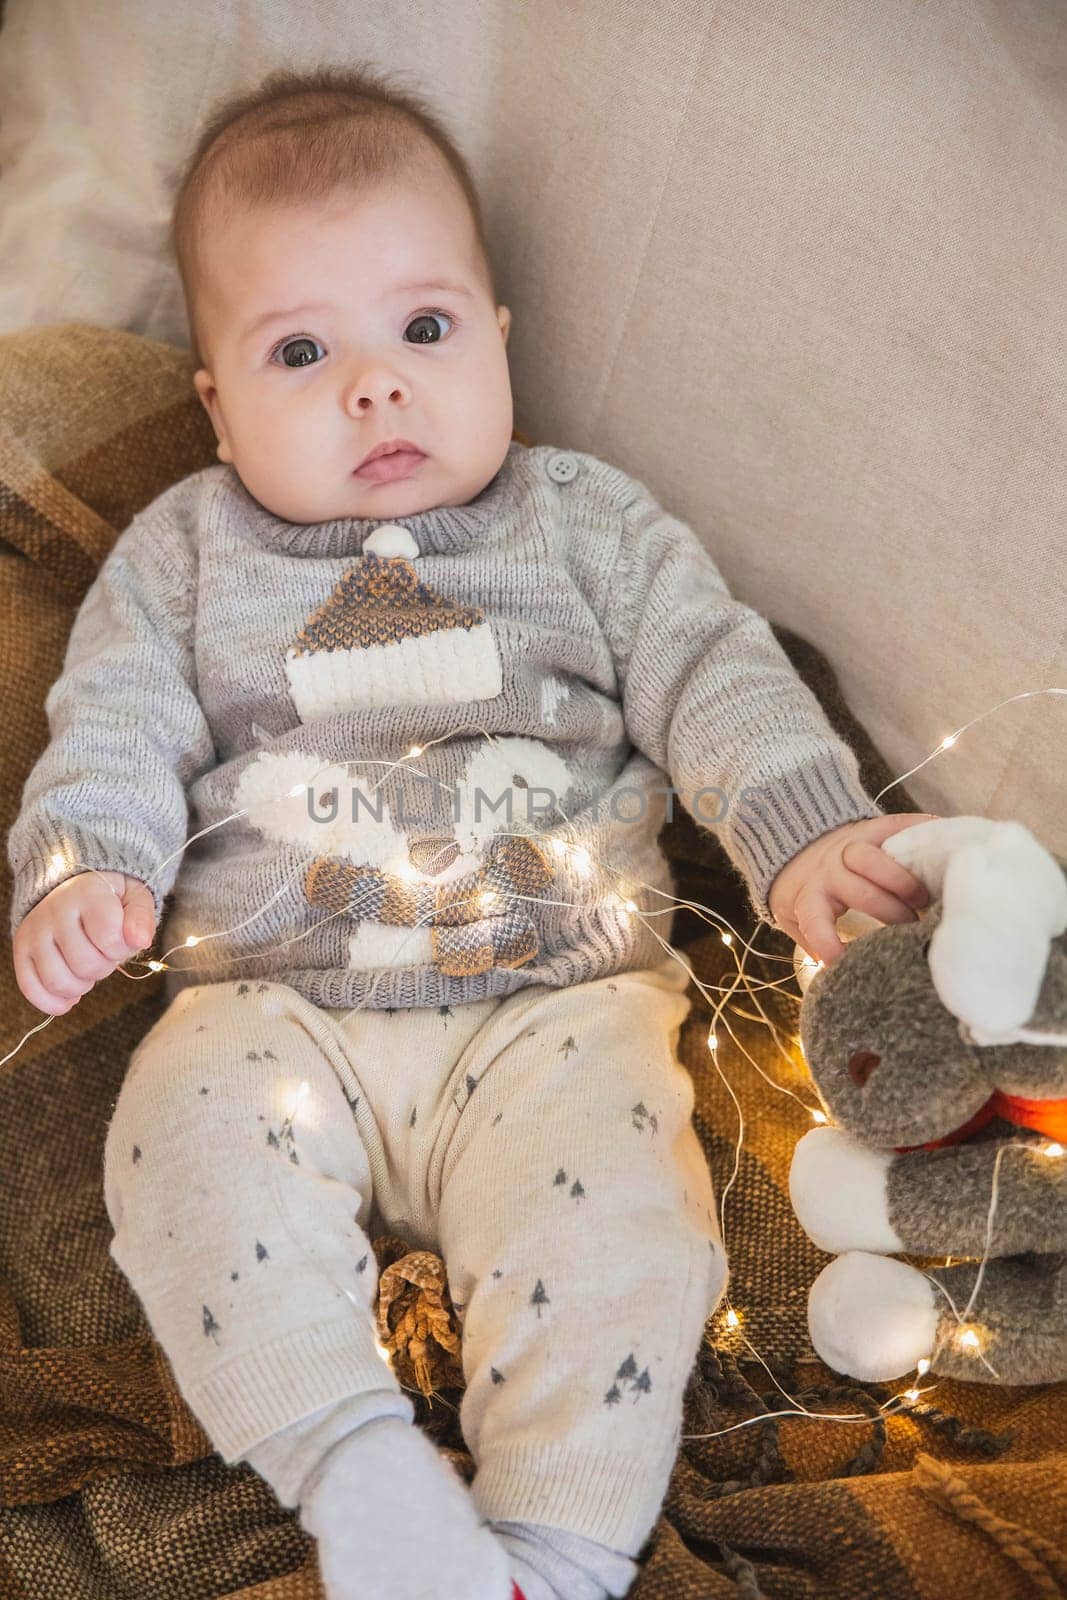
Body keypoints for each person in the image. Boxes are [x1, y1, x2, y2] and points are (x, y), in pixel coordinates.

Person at [6, 64, 933, 1600]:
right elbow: (108, 726)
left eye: (422, 330)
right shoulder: (188, 554)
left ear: (500, 342)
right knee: (174, 1151)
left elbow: (717, 673)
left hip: (555, 1006)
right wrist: (84, 866)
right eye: (301, 350)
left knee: (631, 1226)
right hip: (272, 1006)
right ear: (214, 404)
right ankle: (351, 1457)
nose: (375, 385)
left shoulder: (582, 524)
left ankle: (552, 1550)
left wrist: (802, 833)